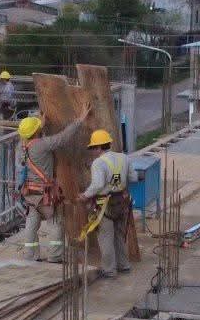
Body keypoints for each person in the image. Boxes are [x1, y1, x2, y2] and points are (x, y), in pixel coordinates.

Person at [16, 113, 86, 263]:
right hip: (45, 194)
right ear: (36, 131)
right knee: (55, 222)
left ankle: (30, 255)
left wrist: (39, 126)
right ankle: (55, 256)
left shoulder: (20, 148)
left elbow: (32, 137)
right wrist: (80, 120)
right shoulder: (42, 145)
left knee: (32, 222)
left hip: (29, 193)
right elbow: (63, 138)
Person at [80, 128, 132, 277]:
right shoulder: (124, 158)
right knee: (119, 236)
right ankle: (124, 265)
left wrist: (85, 195)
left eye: (93, 148)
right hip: (121, 202)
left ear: (98, 147)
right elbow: (133, 177)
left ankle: (109, 270)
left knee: (106, 238)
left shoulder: (98, 163)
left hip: (105, 205)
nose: (93, 151)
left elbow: (97, 185)